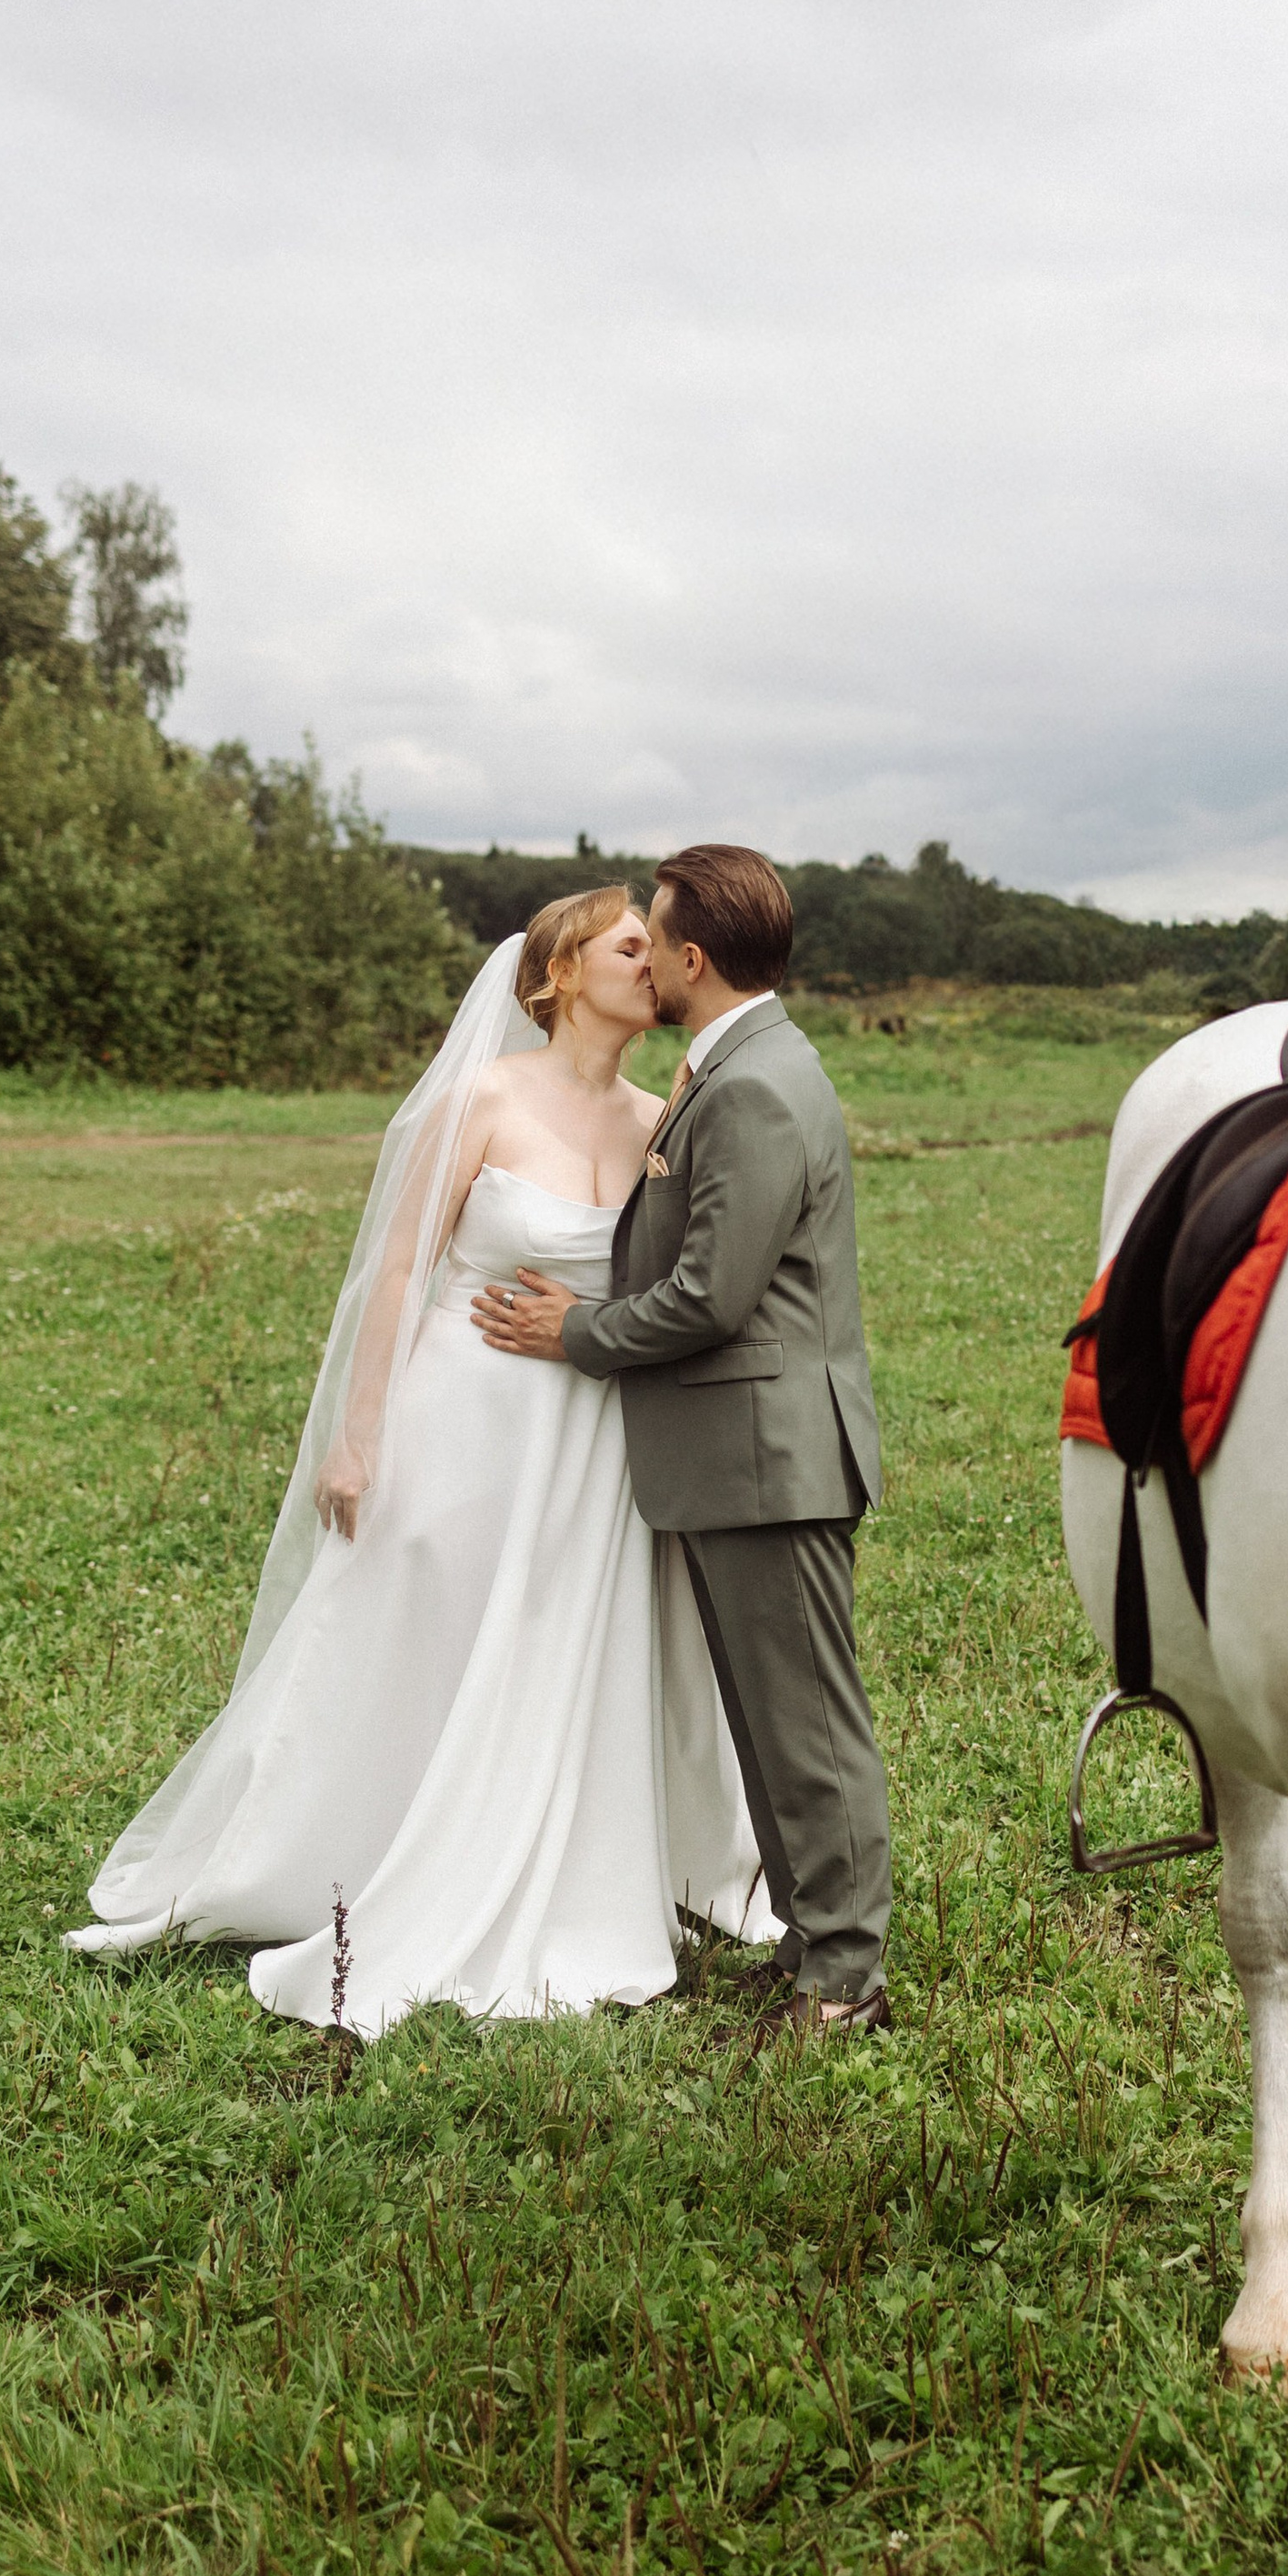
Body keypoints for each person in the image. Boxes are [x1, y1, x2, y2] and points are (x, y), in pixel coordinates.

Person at [65, 889, 779, 2037]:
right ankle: (353, 1844)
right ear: (558, 973)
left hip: (593, 1440)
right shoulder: (480, 1100)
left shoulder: (663, 1117)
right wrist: (356, 1433)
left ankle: (565, 1855)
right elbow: (394, 1273)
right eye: (630, 945)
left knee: (562, 1645)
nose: (656, 963)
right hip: (466, 1415)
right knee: (421, 1628)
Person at [472, 843, 894, 2038]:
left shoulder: (755, 1085)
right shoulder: (741, 1063)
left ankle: (847, 1979)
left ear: (693, 956)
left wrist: (580, 1331)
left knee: (809, 1727)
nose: (642, 950)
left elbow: (713, 1295)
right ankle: (815, 1945)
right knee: (772, 1723)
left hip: (769, 1457)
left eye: (652, 933)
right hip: (738, 1458)